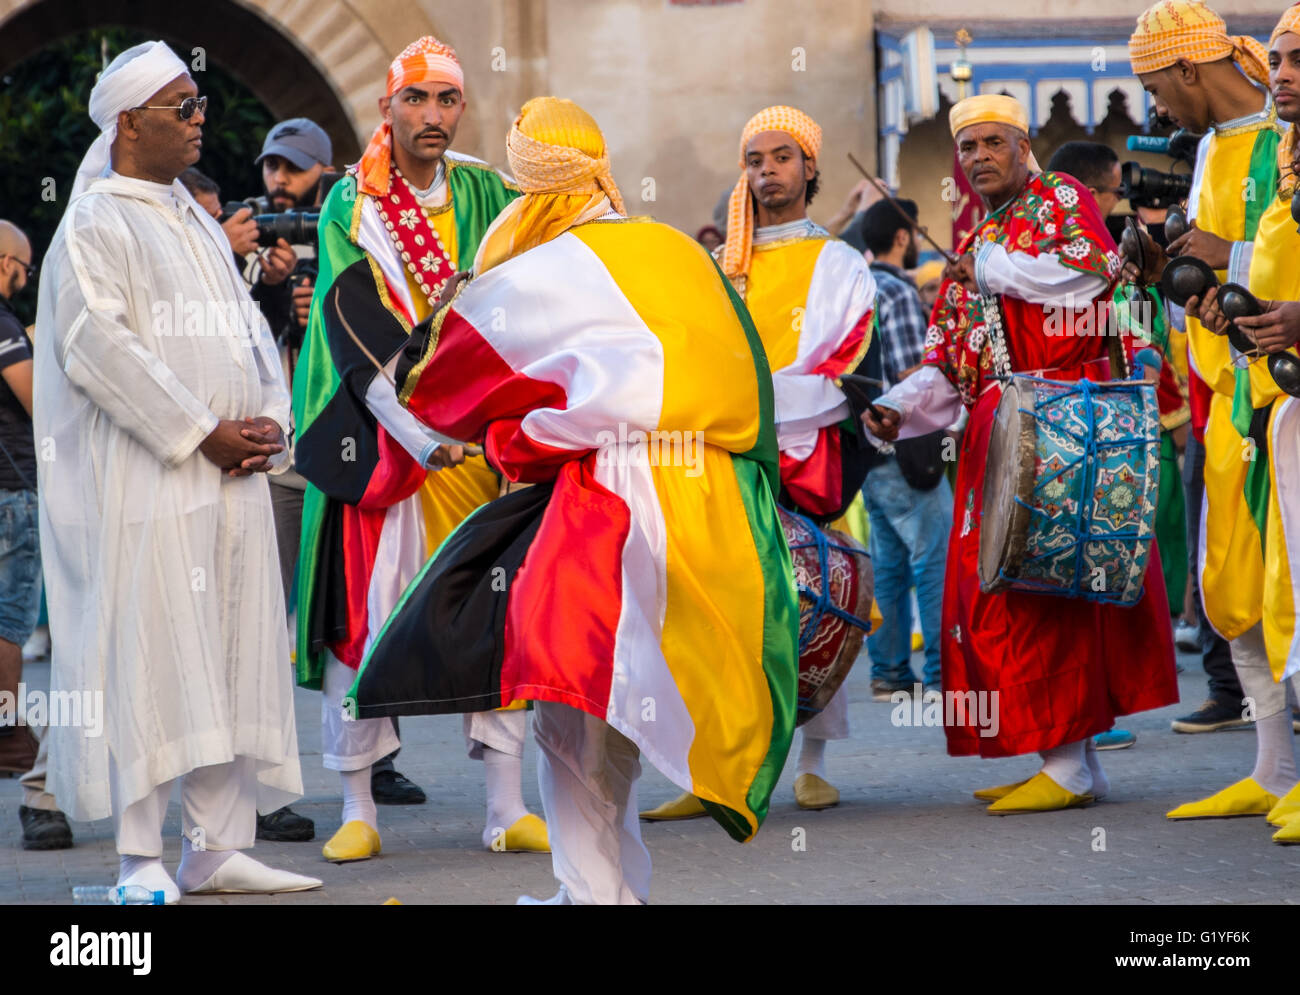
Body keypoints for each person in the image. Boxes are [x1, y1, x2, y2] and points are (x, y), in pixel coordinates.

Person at [352, 96, 799, 904]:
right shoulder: (673, 250)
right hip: (715, 502)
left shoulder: (544, 268)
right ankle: (609, 886)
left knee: (573, 706)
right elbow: (754, 390)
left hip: (609, 500)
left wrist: (504, 439)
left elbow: (439, 383)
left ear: (532, 185)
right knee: (629, 698)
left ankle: (593, 894)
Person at [34, 40, 320, 900]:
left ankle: (215, 846)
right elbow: (97, 348)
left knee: (230, 655)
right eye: (184, 108)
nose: (203, 121)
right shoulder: (93, 221)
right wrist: (201, 430)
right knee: (151, 659)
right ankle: (139, 861)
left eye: (200, 105)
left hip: (230, 479)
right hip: (153, 482)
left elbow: (243, 327)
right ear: (130, 123)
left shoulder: (194, 216)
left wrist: (271, 413)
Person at [864, 93, 1178, 814]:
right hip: (997, 433)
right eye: (967, 148)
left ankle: (1067, 765)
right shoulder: (977, 243)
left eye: (991, 143)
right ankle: (1071, 760)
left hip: (1069, 420)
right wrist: (898, 406)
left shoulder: (1060, 197)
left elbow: (1091, 274)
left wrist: (994, 270)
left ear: (1023, 142)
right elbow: (951, 361)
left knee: (1046, 593)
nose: (977, 159)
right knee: (1010, 594)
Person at [293, 35, 545, 862]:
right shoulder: (351, 205)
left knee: (496, 615)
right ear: (386, 109)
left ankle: (506, 806)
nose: (432, 116)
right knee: (363, 623)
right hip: (388, 453)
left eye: (446, 101)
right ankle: (358, 805)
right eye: (416, 100)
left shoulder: (485, 191)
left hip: (478, 448)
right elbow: (351, 333)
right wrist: (417, 432)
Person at [642, 106, 875, 818]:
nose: (767, 170)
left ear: (809, 167)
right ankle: (710, 767)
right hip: (725, 462)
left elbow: (844, 361)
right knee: (716, 613)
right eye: (754, 159)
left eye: (781, 156)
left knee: (808, 605)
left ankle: (812, 760)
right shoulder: (719, 267)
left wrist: (755, 407)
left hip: (801, 454)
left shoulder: (837, 262)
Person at [1127, 0, 1300, 820]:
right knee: (1230, 583)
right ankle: (1272, 768)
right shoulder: (1209, 151)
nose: (1157, 109)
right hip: (1228, 392)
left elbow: (1266, 259)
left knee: (1289, 583)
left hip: (1281, 389)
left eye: (1158, 88)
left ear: (1189, 71)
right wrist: (1170, 267)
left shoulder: (1281, 135)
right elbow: (1226, 272)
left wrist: (1223, 260)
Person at [1047, 139, 1193, 753]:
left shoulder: (1103, 254)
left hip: (1075, 434)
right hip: (1103, 435)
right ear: (1088, 193)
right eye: (1111, 193)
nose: (1119, 205)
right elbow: (1138, 349)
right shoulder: (1095, 258)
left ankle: (1090, 713)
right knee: (1107, 570)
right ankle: (1090, 714)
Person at [852, 199, 951, 703]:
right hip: (907, 449)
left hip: (866, 450)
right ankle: (940, 673)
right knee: (934, 559)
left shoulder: (855, 285)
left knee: (889, 561)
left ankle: (890, 671)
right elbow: (920, 377)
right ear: (901, 237)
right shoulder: (897, 290)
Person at [0, 219, 70, 851]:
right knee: (11, 622)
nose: (24, 278)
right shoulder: (2, 327)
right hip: (13, 493)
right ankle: (9, 731)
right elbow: (37, 404)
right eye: (22, 268)